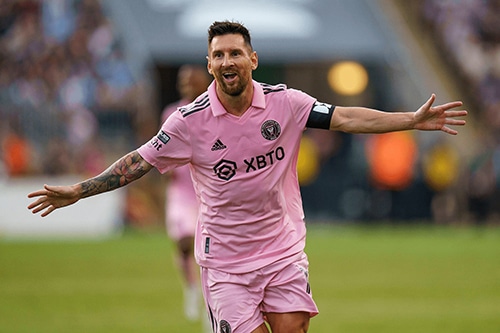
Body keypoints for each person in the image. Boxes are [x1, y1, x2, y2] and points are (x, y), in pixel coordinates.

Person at [28, 21, 467, 333]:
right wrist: (80, 191)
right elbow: (138, 162)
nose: (226, 60)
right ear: (210, 64)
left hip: (282, 250)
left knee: (293, 327)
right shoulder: (189, 121)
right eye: (218, 54)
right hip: (226, 263)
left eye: (235, 52)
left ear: (252, 59)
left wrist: (409, 119)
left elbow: (346, 117)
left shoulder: (286, 103)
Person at [161, 64, 211, 321]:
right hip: (181, 188)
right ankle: (191, 287)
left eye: (191, 80)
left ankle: (209, 301)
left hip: (205, 188)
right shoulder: (172, 112)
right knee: (183, 242)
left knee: (206, 248)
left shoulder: (214, 109)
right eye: (182, 81)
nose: (186, 84)